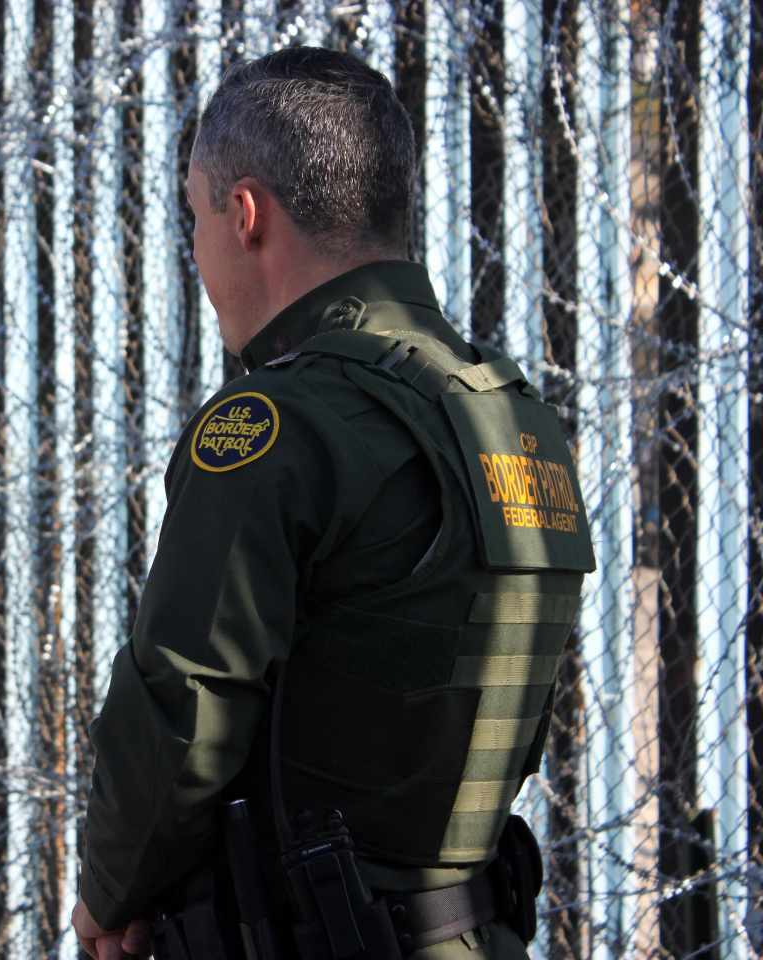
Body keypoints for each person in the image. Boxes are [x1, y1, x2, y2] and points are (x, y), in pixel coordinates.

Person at [69, 46, 594, 960]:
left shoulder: (277, 424)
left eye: (193, 220)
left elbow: (182, 710)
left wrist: (109, 898)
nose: (194, 255)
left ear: (244, 215)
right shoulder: (517, 421)